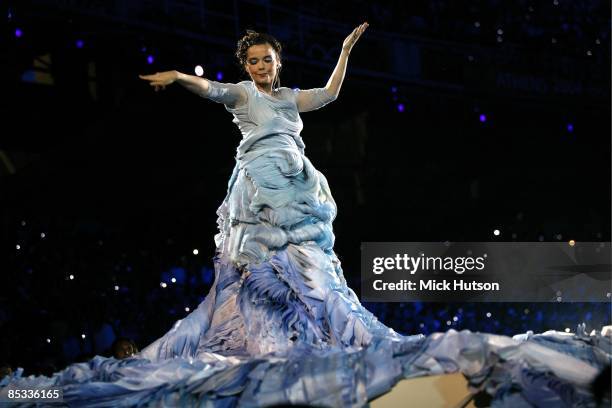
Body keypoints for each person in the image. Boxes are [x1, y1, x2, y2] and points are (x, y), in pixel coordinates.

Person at [1, 24, 610, 407]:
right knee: (265, 274)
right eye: (256, 62)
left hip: (297, 178)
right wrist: (177, 76)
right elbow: (207, 90)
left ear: (278, 62)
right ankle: (264, 342)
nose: (264, 69)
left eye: (270, 61)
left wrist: (344, 51)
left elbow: (333, 95)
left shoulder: (291, 97)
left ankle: (307, 336)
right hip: (263, 184)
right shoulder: (243, 95)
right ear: (247, 67)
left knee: (316, 274)